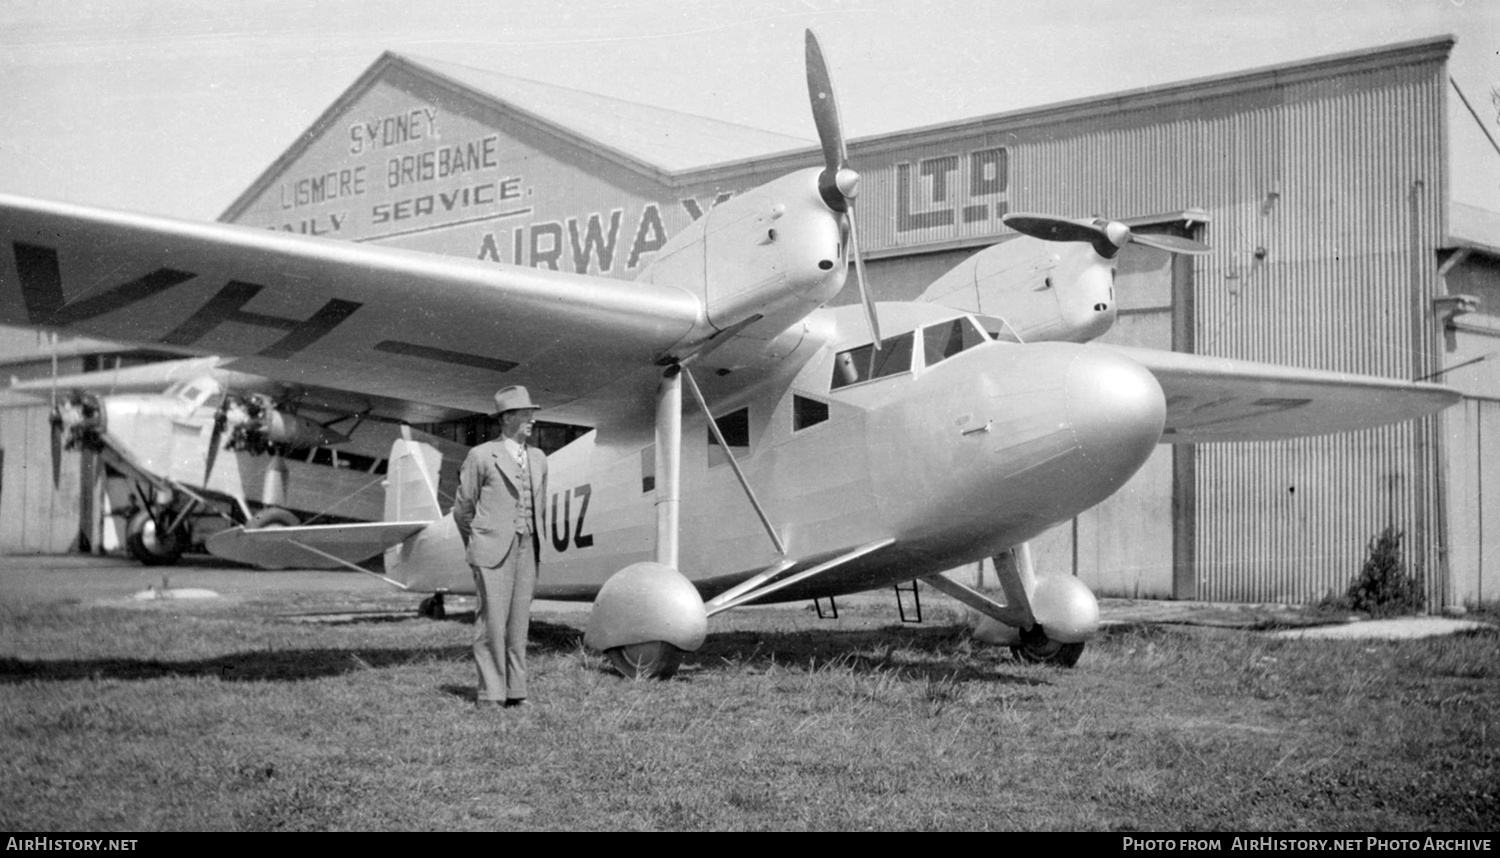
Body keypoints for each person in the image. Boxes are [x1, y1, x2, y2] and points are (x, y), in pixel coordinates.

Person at [452, 385, 547, 709]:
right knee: (492, 623)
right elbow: (462, 509)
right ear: (507, 418)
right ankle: (490, 694)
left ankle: (516, 692)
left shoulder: (538, 458)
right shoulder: (480, 455)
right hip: (492, 550)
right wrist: (479, 542)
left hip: (526, 549)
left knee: (519, 624)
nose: (531, 419)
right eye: (525, 414)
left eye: (532, 413)